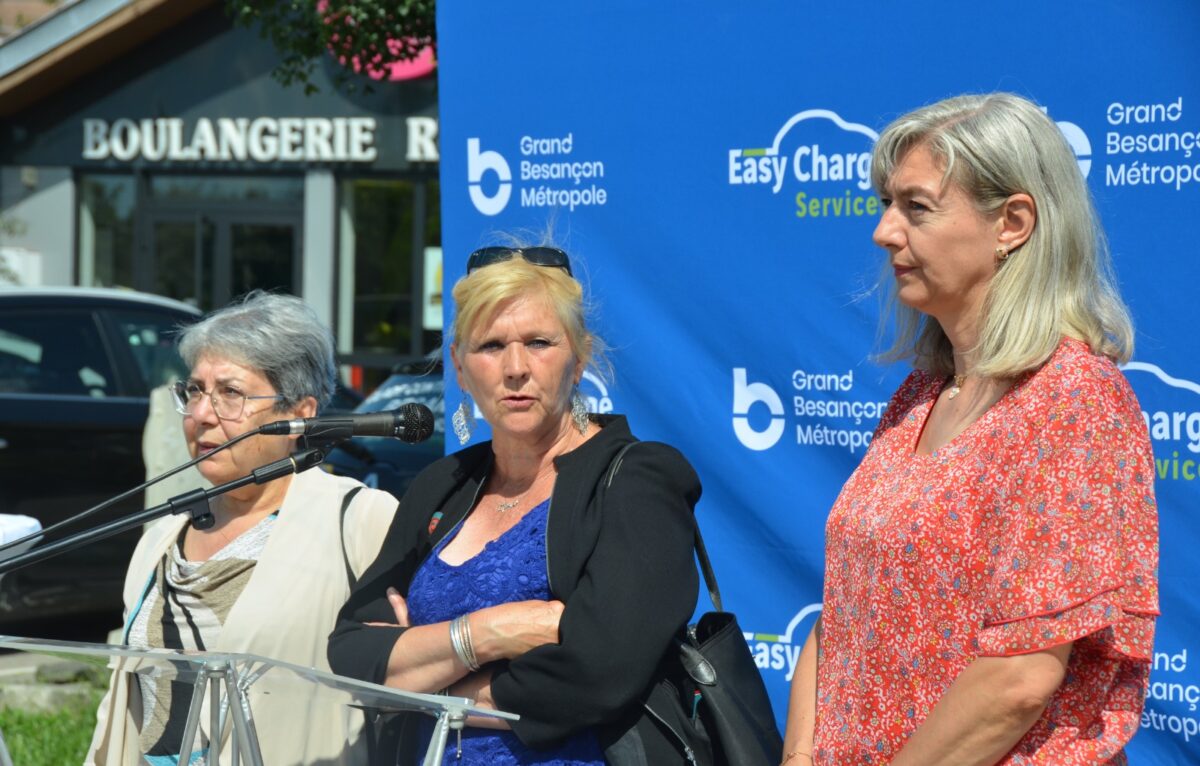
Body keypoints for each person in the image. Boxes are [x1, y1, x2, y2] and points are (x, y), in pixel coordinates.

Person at [782, 93, 1159, 766]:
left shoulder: (1075, 403)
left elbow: (1019, 678)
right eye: (886, 204)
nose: (884, 231)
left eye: (916, 207)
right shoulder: (922, 395)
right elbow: (843, 616)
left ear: (1012, 222)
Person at [328, 246, 703, 765]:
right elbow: (350, 654)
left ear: (580, 357)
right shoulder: (442, 483)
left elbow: (596, 674)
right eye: (490, 346)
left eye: (539, 342)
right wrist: (490, 633)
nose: (516, 368)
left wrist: (422, 671)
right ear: (459, 367)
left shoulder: (637, 479)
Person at [87, 291, 400, 766]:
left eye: (230, 393)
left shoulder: (359, 519)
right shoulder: (164, 534)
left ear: (299, 414)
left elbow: (405, 677)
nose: (201, 414)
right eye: (194, 390)